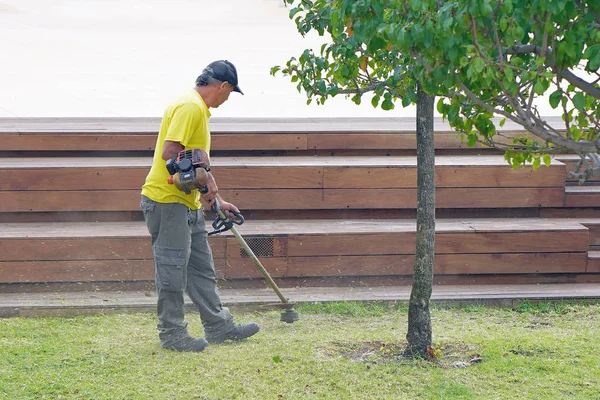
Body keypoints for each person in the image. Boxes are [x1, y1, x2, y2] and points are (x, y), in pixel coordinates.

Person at [140, 60, 260, 352]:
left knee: (201, 269)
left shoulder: (197, 108)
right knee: (172, 270)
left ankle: (220, 326)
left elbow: (192, 162)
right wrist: (208, 182)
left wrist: (215, 199)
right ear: (222, 86)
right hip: (167, 203)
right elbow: (172, 154)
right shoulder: (190, 106)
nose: (227, 99)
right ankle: (173, 335)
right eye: (230, 93)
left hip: (186, 203)